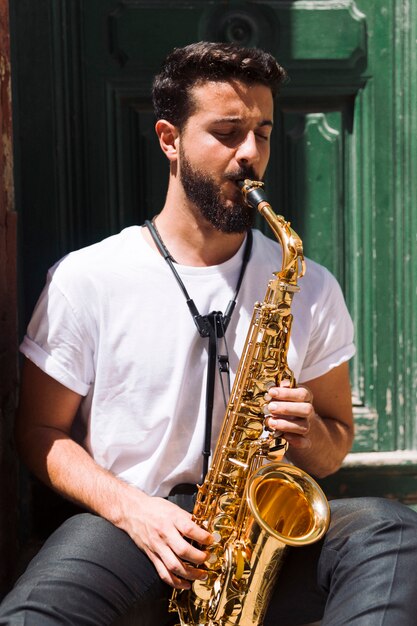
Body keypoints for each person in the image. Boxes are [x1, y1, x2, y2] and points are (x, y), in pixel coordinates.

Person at [1, 41, 417, 626]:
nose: (251, 154)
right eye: (227, 132)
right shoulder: (88, 278)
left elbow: (335, 446)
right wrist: (131, 510)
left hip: (258, 535)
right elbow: (38, 432)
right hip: (132, 528)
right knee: (37, 611)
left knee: (393, 530)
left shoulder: (310, 285)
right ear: (169, 139)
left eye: (264, 133)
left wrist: (307, 433)